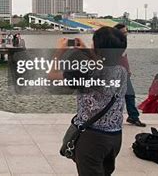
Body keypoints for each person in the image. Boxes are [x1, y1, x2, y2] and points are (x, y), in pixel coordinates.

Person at [48, 27, 128, 176]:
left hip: (92, 140)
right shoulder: (122, 71)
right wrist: (87, 51)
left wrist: (59, 52)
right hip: (115, 137)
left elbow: (52, 76)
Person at [114, 23, 146, 127]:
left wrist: (128, 70)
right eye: (123, 32)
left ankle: (133, 117)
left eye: (126, 32)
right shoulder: (114, 43)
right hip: (117, 73)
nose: (125, 34)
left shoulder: (123, 42)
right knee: (118, 97)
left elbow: (124, 58)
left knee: (130, 95)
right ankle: (115, 117)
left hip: (125, 73)